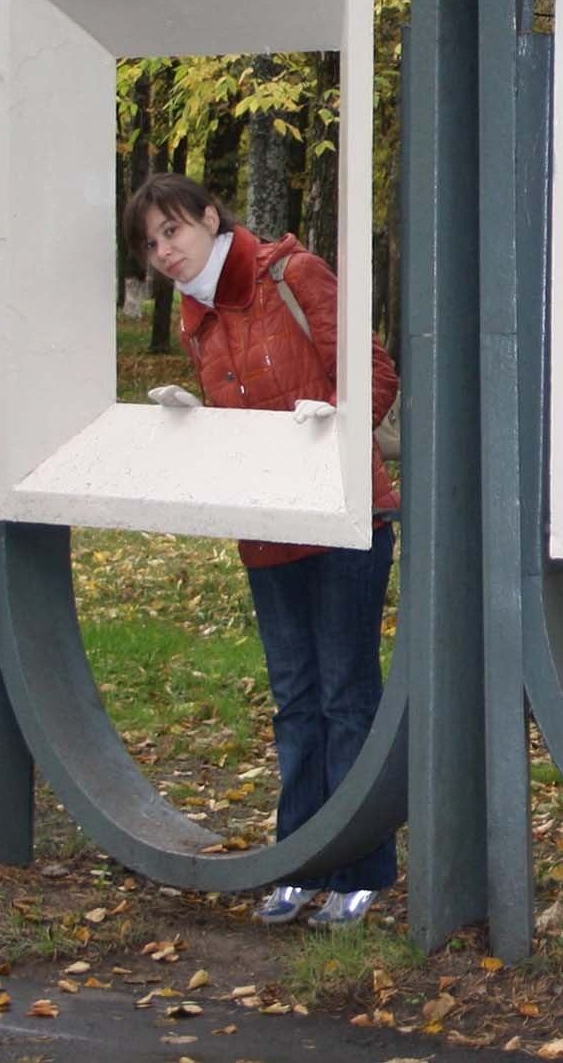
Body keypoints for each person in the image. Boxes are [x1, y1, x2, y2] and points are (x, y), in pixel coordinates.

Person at [122, 173, 400, 928]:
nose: (164, 251)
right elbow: (237, 422)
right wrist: (196, 427)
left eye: (173, 230)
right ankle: (300, 862)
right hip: (269, 530)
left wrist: (331, 431)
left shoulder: (291, 273)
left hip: (343, 519)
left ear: (210, 218)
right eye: (150, 244)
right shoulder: (197, 317)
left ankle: (361, 867)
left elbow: (373, 373)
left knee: (346, 695)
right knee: (295, 699)